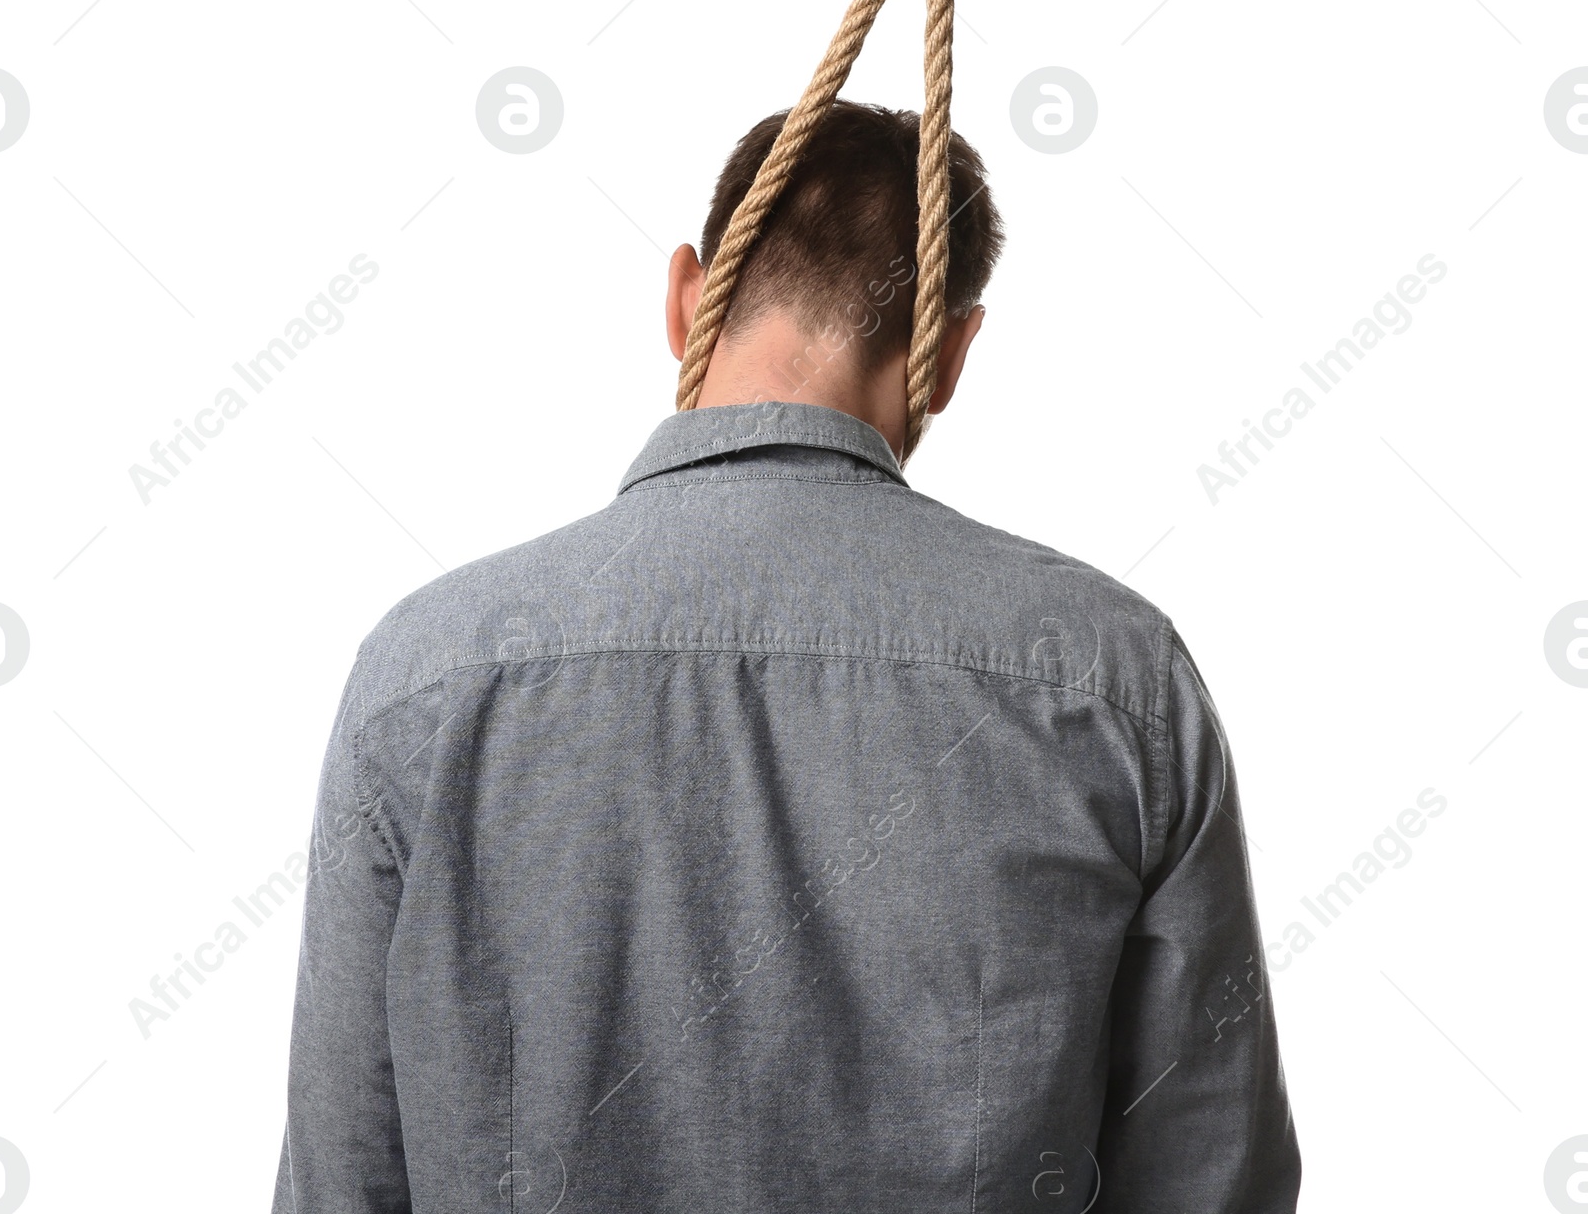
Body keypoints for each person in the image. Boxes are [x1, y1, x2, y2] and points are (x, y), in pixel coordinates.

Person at [272, 100, 1301, 1213]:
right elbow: (1211, 1180)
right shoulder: (1112, 682)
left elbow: (342, 1181)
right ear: (950, 353)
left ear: (683, 299)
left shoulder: (426, 678)